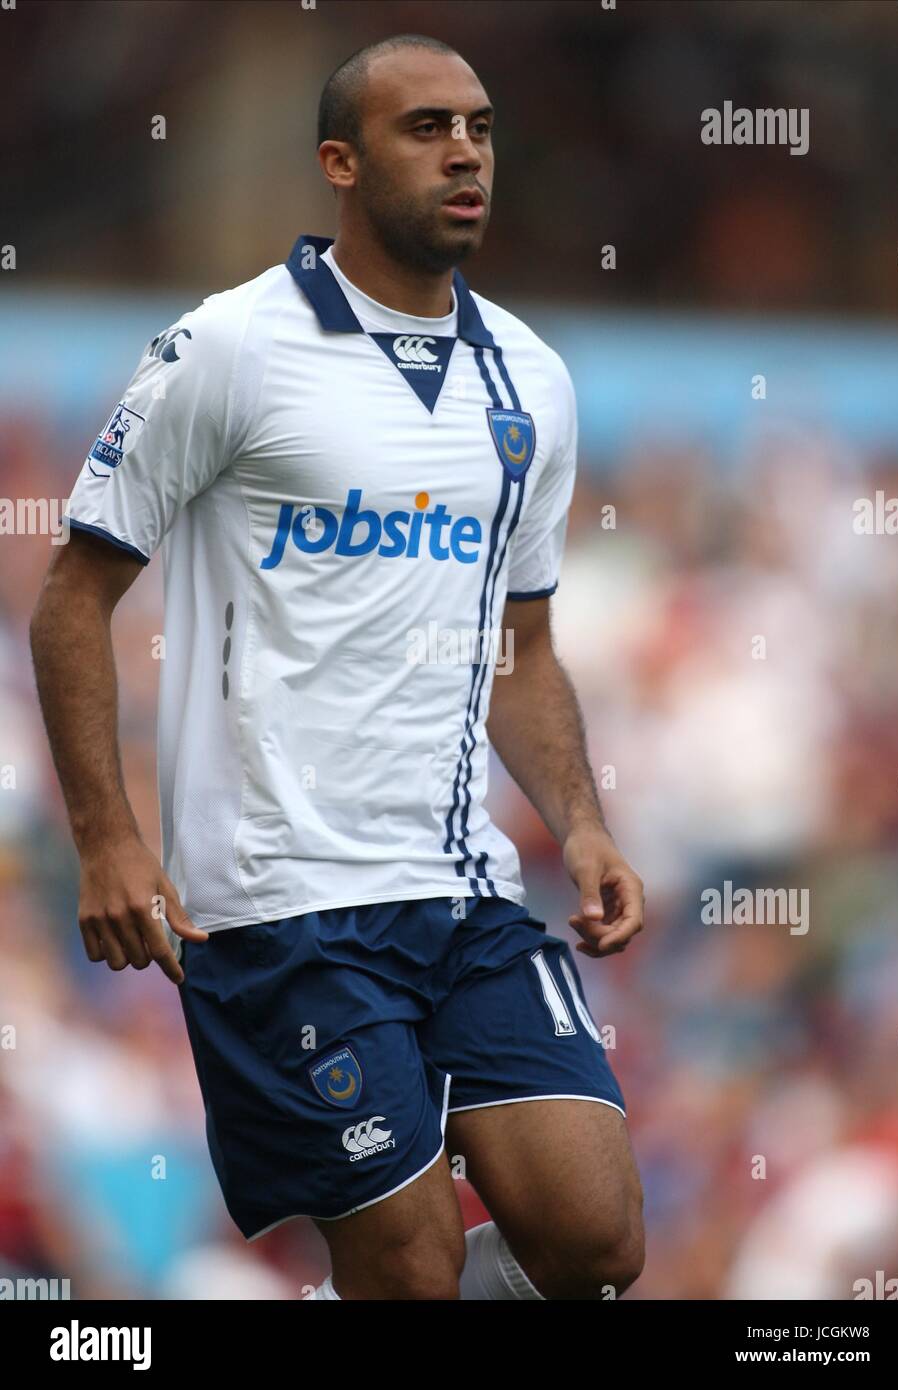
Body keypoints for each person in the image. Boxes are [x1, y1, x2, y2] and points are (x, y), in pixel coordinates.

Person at [30, 34, 645, 1301]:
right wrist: (106, 836)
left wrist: (580, 823)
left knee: (594, 1243)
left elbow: (519, 646)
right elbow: (70, 600)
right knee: (409, 1267)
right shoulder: (229, 347)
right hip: (279, 903)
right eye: (425, 128)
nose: (465, 150)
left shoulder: (528, 377)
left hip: (461, 886)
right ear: (340, 164)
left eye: (477, 126)